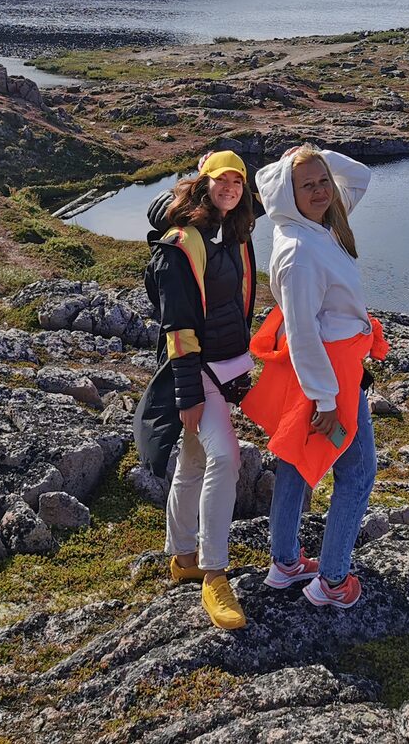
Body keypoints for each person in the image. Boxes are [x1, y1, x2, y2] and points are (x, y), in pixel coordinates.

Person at [248, 144, 384, 610]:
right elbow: (304, 333)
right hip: (329, 375)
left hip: (322, 371)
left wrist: (314, 155)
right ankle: (331, 582)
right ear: (289, 193)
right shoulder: (301, 252)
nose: (322, 190)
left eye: (323, 179)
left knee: (294, 461)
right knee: (358, 472)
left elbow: (360, 176)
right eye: (307, 184)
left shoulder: (313, 227)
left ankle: (285, 562)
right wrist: (326, 400)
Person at [142, 150, 259, 630]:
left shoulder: (233, 232)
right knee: (226, 458)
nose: (230, 188)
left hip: (226, 367)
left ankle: (183, 556)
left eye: (238, 182)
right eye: (221, 180)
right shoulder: (182, 243)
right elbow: (178, 328)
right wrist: (187, 394)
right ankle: (215, 574)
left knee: (193, 462)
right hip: (197, 372)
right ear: (204, 182)